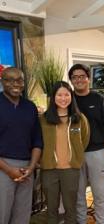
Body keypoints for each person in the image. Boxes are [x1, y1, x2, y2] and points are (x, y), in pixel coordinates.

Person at [68, 64, 104, 224]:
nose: (79, 80)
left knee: (100, 195)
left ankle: (102, 221)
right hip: (74, 155)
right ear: (71, 80)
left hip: (97, 152)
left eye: (82, 76)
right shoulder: (67, 100)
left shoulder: (101, 100)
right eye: (75, 77)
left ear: (88, 78)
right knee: (78, 195)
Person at [40, 81, 90, 224]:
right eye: (59, 95)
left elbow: (84, 140)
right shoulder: (43, 119)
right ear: (53, 97)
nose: (63, 98)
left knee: (71, 208)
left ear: (71, 96)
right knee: (51, 209)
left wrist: (76, 155)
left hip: (71, 170)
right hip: (49, 170)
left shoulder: (79, 119)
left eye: (66, 94)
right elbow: (37, 143)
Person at [0, 67, 43, 224]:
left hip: (26, 169)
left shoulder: (30, 107)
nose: (15, 84)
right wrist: (9, 170)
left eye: (19, 80)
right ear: (2, 82)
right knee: (2, 214)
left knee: (22, 215)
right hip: (2, 168)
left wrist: (31, 167)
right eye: (10, 80)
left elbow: (37, 140)